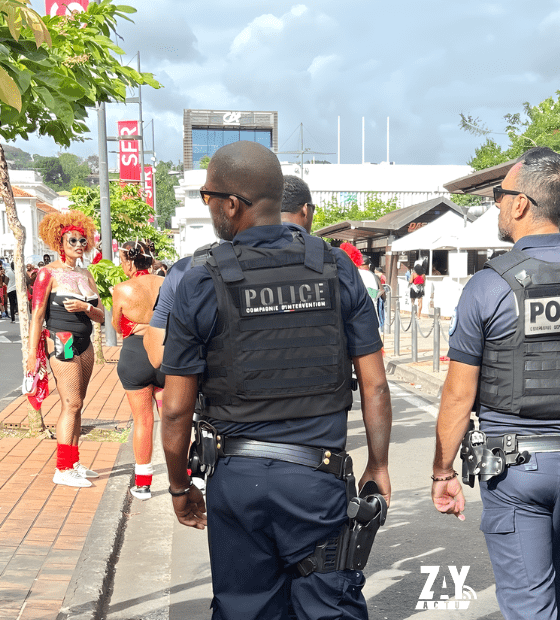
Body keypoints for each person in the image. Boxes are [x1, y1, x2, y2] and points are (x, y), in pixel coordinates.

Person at [159, 140, 392, 620]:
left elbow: (177, 407)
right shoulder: (335, 267)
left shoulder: (200, 281)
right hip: (317, 479)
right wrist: (379, 463)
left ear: (231, 204)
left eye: (207, 197)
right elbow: (374, 383)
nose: (208, 209)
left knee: (246, 609)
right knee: (330, 606)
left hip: (238, 482)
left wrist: (181, 487)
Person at [431, 147, 560, 619]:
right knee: (557, 591)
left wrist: (443, 471)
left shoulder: (489, 285)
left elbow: (459, 393)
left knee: (531, 606)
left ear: (520, 204)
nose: (497, 204)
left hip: (515, 468)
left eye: (499, 195)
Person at [26, 210, 105, 488]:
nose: (79, 245)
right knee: (71, 403)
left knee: (78, 404)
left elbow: (102, 314)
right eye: (73, 240)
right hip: (63, 341)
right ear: (60, 242)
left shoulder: (86, 273)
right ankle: (62, 468)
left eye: (83, 240)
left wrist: (87, 307)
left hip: (86, 342)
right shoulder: (48, 273)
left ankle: (74, 462)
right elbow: (37, 316)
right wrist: (30, 356)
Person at [112, 240, 165, 500]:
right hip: (165, 354)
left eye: (122, 260)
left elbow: (116, 325)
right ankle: (190, 476)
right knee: (173, 420)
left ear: (131, 261)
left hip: (135, 356)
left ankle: (143, 483)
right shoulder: (166, 283)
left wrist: (138, 324)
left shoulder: (122, 289)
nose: (122, 265)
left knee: (143, 421)